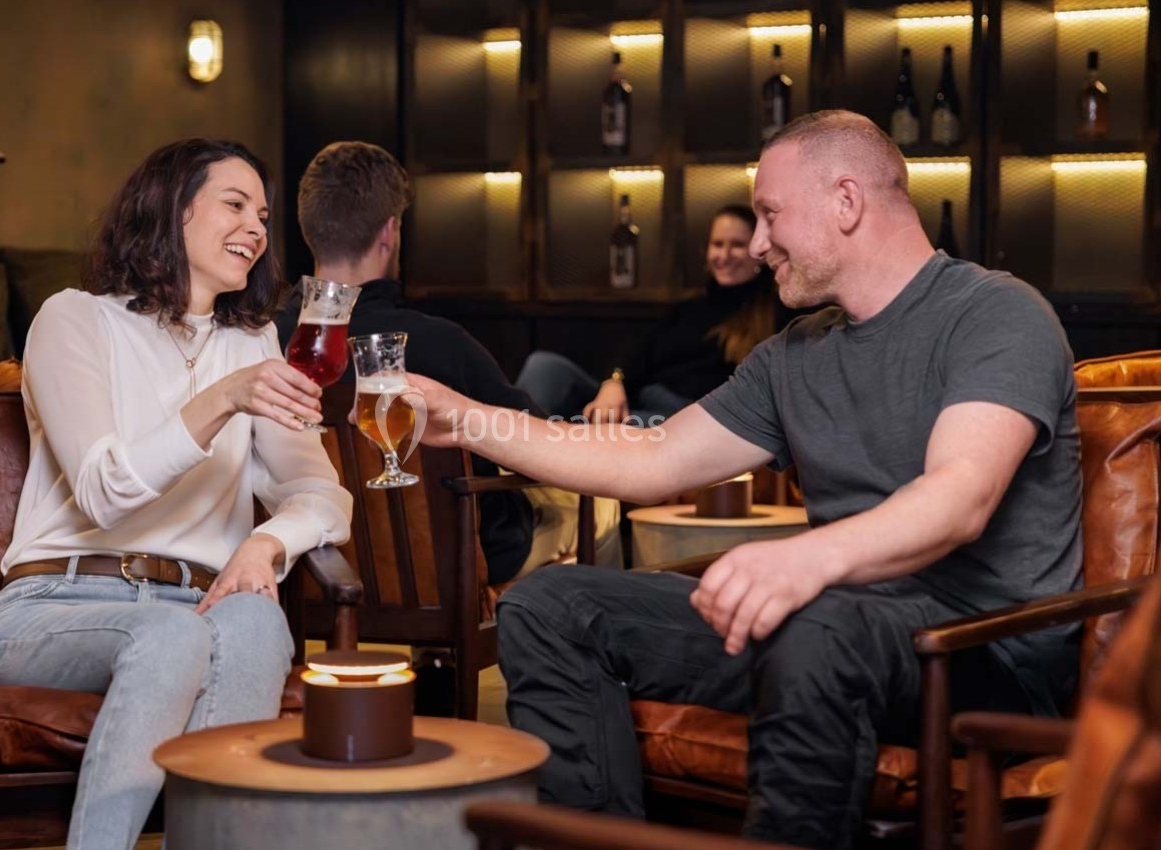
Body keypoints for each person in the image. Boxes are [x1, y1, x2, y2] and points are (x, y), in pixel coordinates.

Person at [401, 111, 1083, 849]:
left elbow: (960, 496)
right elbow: (653, 457)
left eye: (769, 214)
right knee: (548, 606)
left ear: (846, 201)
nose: (757, 245)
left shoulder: (995, 314)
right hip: (824, 631)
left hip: (981, 655)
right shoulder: (795, 354)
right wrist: (467, 419)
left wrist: (803, 561)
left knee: (821, 624)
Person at [0, 139, 353, 850]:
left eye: (264, 216)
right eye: (235, 204)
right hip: (57, 603)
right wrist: (221, 400)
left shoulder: (251, 343)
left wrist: (267, 542)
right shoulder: (74, 320)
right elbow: (104, 493)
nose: (256, 228)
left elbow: (324, 494)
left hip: (198, 602)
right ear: (172, 208)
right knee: (171, 635)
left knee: (257, 624)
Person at [293, 140, 620, 583]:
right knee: (601, 503)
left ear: (309, 230)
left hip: (318, 568)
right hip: (456, 567)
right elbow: (537, 443)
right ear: (389, 232)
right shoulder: (438, 343)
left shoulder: (268, 341)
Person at [517, 204, 785, 423]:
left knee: (595, 427)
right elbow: (639, 356)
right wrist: (614, 383)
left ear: (758, 251)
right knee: (543, 366)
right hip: (637, 398)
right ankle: (520, 448)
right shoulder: (688, 308)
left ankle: (545, 443)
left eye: (737, 244)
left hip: (686, 419)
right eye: (717, 244)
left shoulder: (773, 314)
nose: (724, 254)